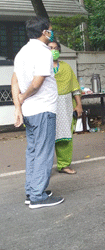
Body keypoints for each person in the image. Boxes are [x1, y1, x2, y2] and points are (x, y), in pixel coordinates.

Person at [11, 17, 64, 208]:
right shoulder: (44, 52)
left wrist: (18, 107)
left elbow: (14, 80)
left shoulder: (22, 52)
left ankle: (31, 190)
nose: (51, 33)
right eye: (50, 30)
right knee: (43, 152)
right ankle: (38, 196)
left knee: (33, 151)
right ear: (43, 32)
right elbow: (37, 82)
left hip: (30, 112)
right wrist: (24, 97)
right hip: (43, 109)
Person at [49, 41, 83, 174]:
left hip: (65, 105)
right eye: (50, 48)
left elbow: (75, 88)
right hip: (48, 105)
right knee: (47, 137)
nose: (53, 51)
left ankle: (64, 165)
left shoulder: (66, 67)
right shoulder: (41, 67)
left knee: (65, 136)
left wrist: (79, 104)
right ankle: (44, 169)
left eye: (55, 48)